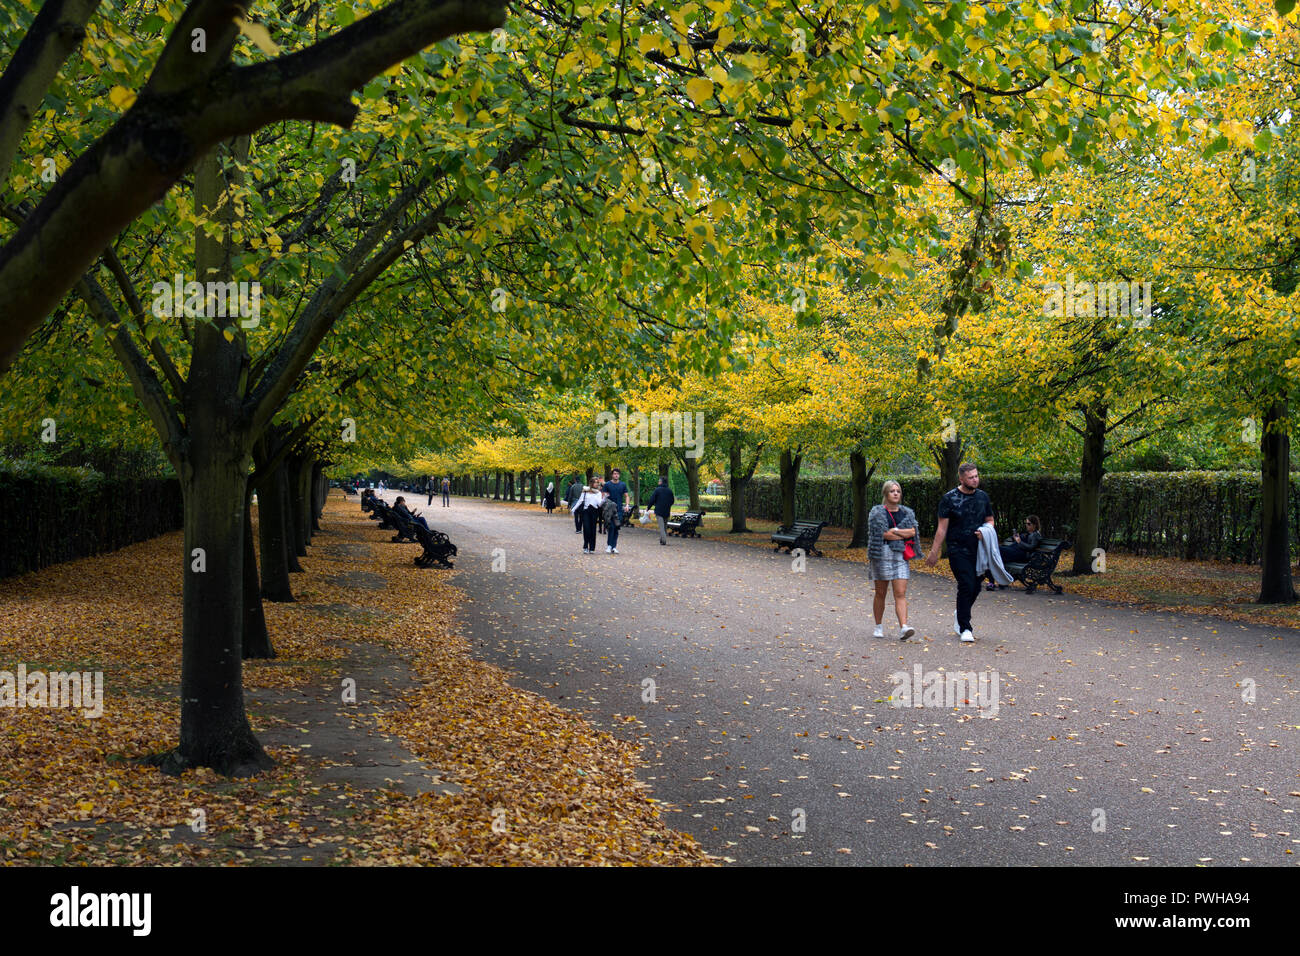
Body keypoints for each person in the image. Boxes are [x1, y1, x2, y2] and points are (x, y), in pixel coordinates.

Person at [924, 463, 994, 644]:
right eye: (971, 477)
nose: (975, 480)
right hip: (957, 549)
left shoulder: (983, 497)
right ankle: (965, 628)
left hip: (979, 550)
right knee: (966, 584)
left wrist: (985, 531)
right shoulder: (949, 499)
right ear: (961, 479)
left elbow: (990, 520)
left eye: (976, 476)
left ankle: (960, 612)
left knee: (976, 586)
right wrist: (934, 551)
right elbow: (941, 528)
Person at [866, 480, 920, 640]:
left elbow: (913, 532)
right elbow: (884, 534)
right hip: (881, 554)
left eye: (898, 491)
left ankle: (904, 627)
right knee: (881, 592)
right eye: (892, 491)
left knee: (900, 592)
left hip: (901, 555)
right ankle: (878, 626)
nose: (896, 493)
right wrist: (902, 533)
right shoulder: (877, 513)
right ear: (885, 494)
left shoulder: (907, 513)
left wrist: (895, 531)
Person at [985, 514, 1042, 589]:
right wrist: (1015, 537)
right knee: (993, 555)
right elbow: (1017, 540)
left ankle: (993, 582)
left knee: (995, 551)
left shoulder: (1036, 535)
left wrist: (1019, 542)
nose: (1027, 525)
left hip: (1020, 554)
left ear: (1034, 525)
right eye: (1026, 523)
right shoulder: (1027, 533)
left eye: (1029, 524)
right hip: (1014, 551)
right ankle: (993, 582)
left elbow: (1031, 548)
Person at [572, 481, 603, 553]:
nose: (596, 484)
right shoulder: (585, 492)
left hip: (594, 512)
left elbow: (599, 504)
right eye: (595, 482)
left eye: (597, 483)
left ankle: (592, 548)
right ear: (591, 483)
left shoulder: (598, 493)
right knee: (586, 529)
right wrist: (573, 509)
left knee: (593, 530)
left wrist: (603, 500)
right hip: (586, 511)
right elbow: (580, 501)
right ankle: (585, 546)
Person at [646, 475, 675, 545]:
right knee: (664, 526)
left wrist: (648, 507)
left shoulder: (657, 490)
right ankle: (662, 540)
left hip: (659, 511)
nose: (658, 482)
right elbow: (672, 501)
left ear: (661, 482)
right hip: (667, 510)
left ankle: (664, 540)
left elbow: (652, 500)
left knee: (661, 527)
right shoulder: (669, 490)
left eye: (659, 481)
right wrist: (668, 505)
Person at [601, 487, 621, 553]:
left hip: (617, 512)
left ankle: (614, 546)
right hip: (609, 514)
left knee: (616, 529)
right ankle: (609, 545)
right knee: (611, 528)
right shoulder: (607, 497)